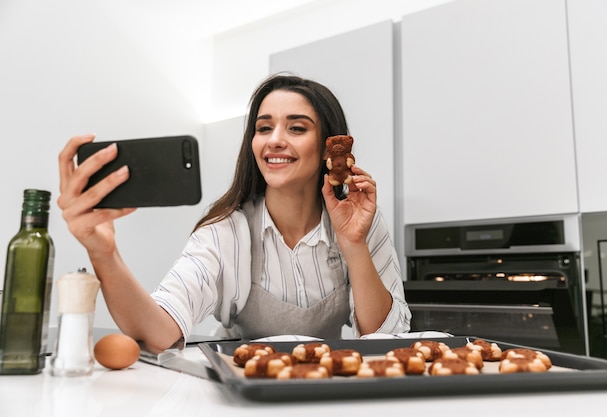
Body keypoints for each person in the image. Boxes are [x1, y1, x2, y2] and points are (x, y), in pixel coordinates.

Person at [58, 74, 411, 353]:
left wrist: (354, 244)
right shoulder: (224, 232)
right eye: (263, 127)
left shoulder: (359, 223)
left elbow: (387, 337)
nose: (274, 139)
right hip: (238, 388)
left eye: (297, 127)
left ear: (328, 147)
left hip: (323, 387)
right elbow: (159, 332)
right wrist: (103, 252)